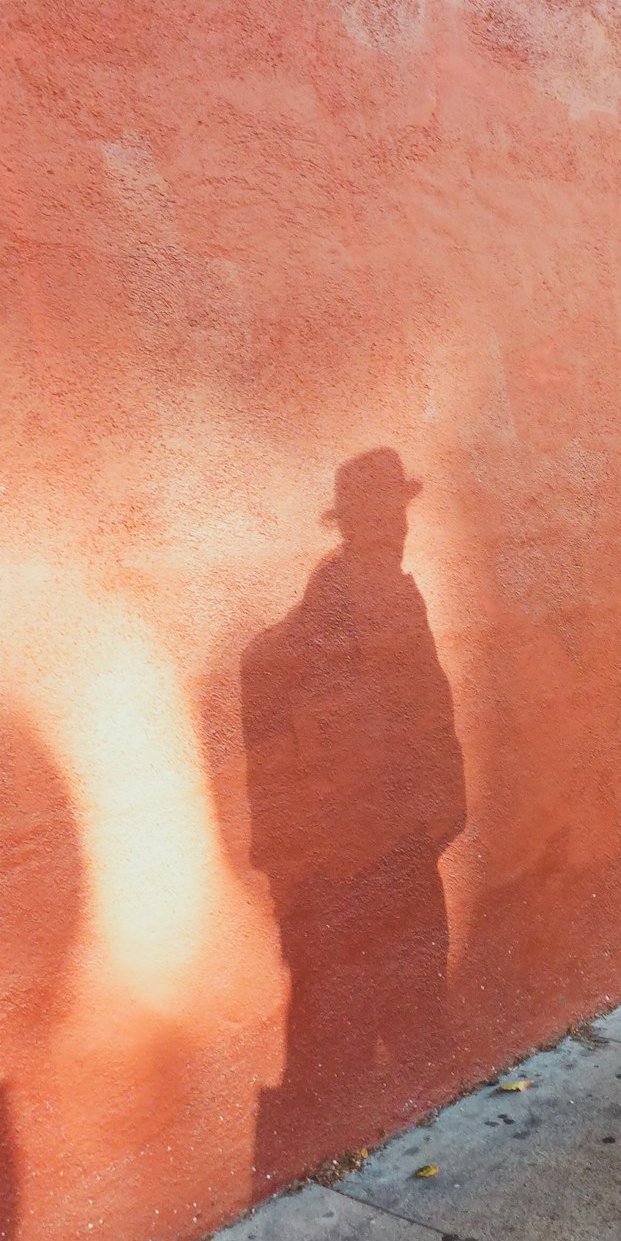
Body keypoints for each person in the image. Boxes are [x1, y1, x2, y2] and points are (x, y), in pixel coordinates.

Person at [243, 449, 466, 1177]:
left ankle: (355, 1153)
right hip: (384, 850)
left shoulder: (347, 597)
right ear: (362, 521)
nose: (400, 524)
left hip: (368, 851)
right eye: (388, 511)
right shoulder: (369, 598)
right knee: (406, 1019)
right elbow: (401, 720)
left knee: (357, 1027)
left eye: (400, 510)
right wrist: (423, 818)